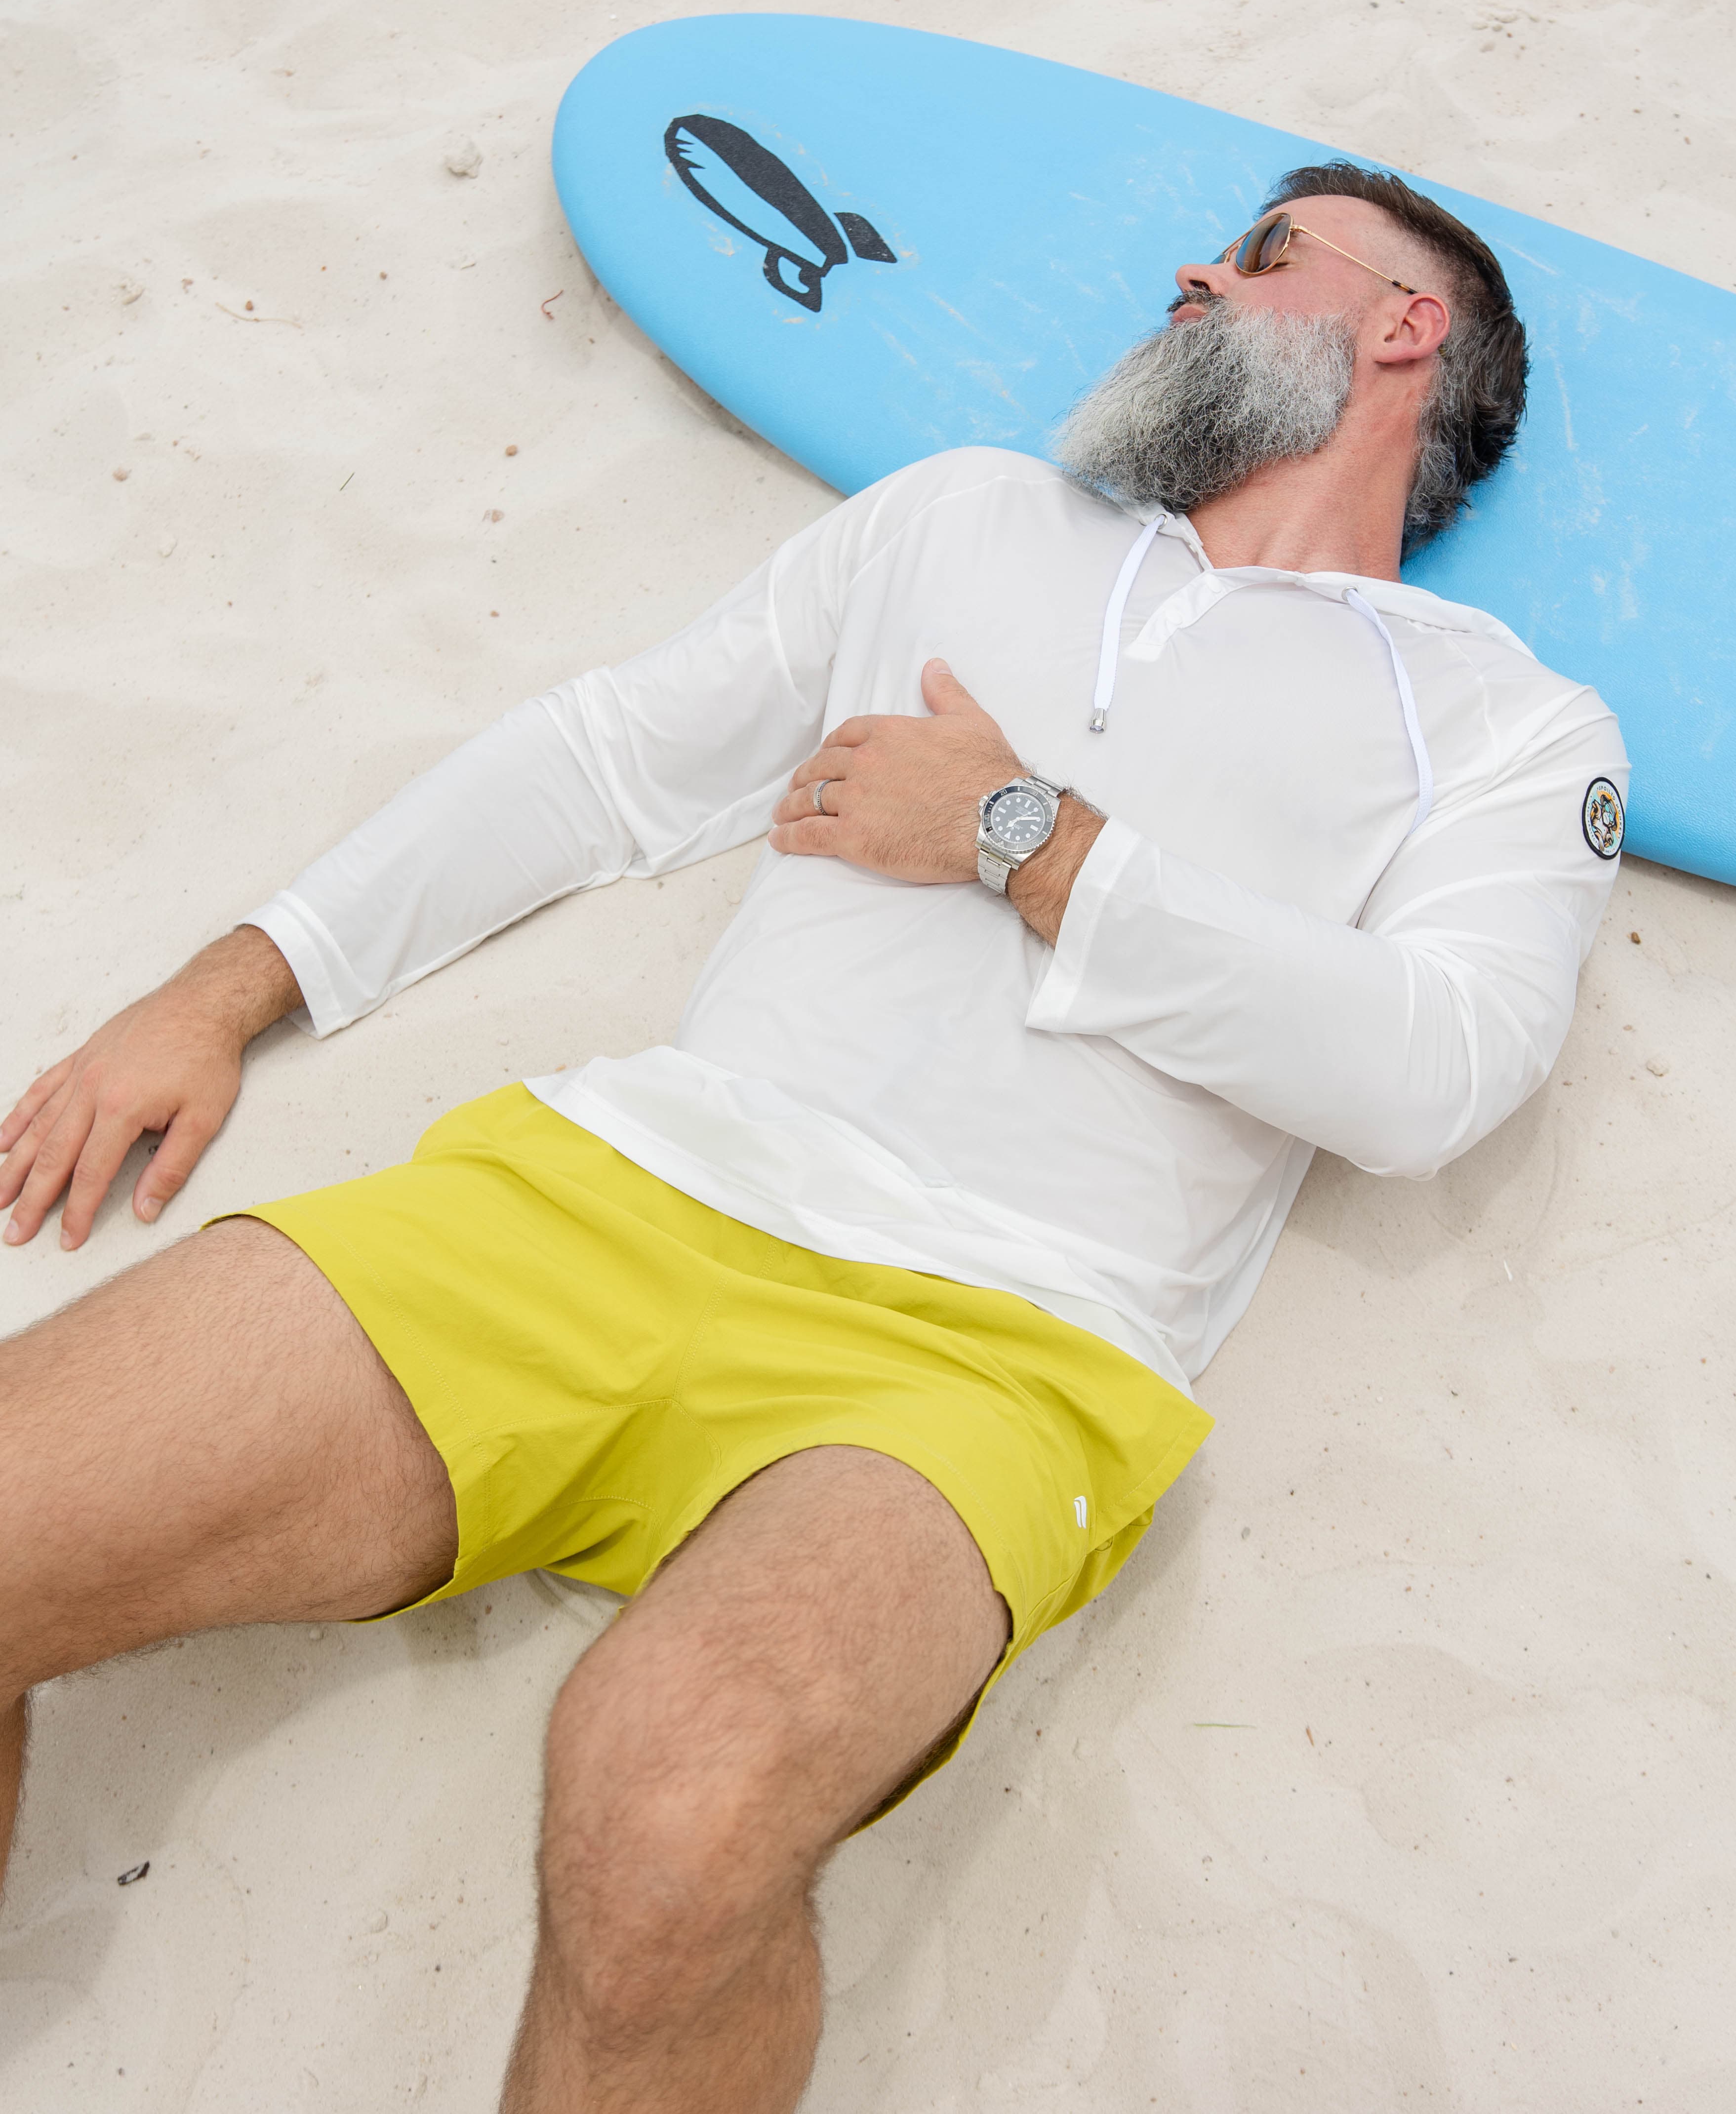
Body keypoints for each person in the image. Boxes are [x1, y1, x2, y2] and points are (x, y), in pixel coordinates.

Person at [0, 162, 1627, 2113]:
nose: (1194, 266)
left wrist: (1029, 842)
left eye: (1264, 250)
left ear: (1403, 327)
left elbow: (1433, 1074)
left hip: (998, 1354)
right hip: (616, 1199)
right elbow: (615, 759)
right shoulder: (968, 517)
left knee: (672, 1821)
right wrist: (228, 987)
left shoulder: (1513, 726)